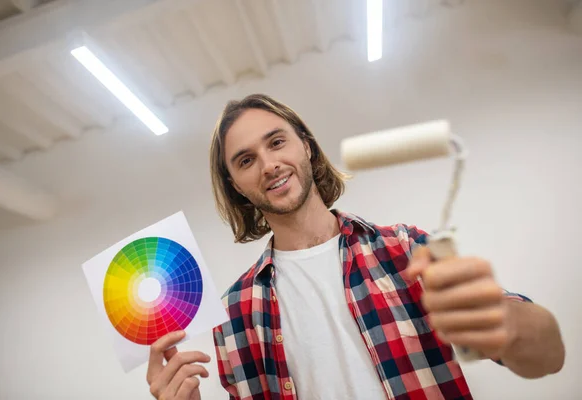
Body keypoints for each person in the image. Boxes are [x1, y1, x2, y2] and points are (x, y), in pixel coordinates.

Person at [146, 94, 565, 400]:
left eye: (276, 142)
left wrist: (504, 320)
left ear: (305, 146)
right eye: (245, 160)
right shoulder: (234, 314)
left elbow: (547, 358)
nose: (268, 164)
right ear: (236, 186)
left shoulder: (405, 250)